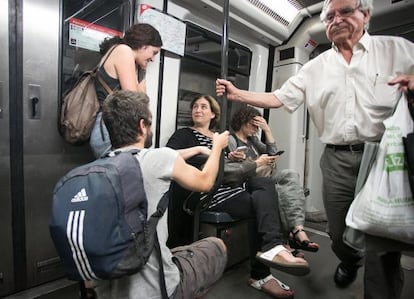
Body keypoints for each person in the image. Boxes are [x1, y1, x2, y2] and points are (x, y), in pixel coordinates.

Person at [216, 1, 414, 298]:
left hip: (382, 155)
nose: (336, 20)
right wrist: (237, 93)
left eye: (345, 11)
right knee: (338, 234)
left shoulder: (396, 50)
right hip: (336, 158)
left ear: (366, 15)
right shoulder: (315, 68)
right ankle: (349, 257)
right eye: (330, 16)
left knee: (381, 241)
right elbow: (278, 98)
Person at [167, 94, 309, 299]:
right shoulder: (185, 134)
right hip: (208, 190)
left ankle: (273, 247)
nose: (198, 110)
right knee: (257, 204)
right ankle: (265, 266)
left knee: (265, 184)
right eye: (195, 106)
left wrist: (230, 157)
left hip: (229, 186)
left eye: (203, 107)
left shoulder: (219, 138)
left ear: (213, 114)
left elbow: (227, 168)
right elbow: (169, 154)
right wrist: (206, 151)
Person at [91, 90, 229, 299]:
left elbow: (165, 156)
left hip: (108, 287)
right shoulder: (158, 159)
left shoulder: (97, 168)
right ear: (142, 126)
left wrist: (197, 149)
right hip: (156, 290)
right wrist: (217, 147)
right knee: (215, 247)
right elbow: (206, 182)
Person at [228, 105, 319, 252]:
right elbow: (234, 169)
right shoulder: (230, 140)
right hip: (249, 180)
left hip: (265, 176)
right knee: (279, 191)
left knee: (290, 175)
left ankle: (297, 227)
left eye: (258, 126)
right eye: (253, 125)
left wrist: (267, 130)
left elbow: (272, 152)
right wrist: (256, 162)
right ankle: (289, 239)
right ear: (242, 121)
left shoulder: (253, 140)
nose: (255, 129)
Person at [89, 23, 163, 158]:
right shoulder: (124, 51)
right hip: (109, 130)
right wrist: (141, 93)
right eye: (154, 52)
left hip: (111, 129)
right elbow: (134, 103)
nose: (152, 58)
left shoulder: (126, 57)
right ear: (144, 45)